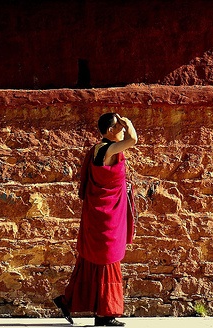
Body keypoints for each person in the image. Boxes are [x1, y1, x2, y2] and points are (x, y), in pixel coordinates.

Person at [54, 112, 138, 326]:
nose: (121, 130)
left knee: (91, 262)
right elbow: (133, 140)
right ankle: (105, 314)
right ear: (111, 130)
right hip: (105, 216)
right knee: (107, 259)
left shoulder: (99, 148)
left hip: (102, 212)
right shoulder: (107, 149)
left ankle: (68, 301)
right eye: (117, 126)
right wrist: (127, 124)